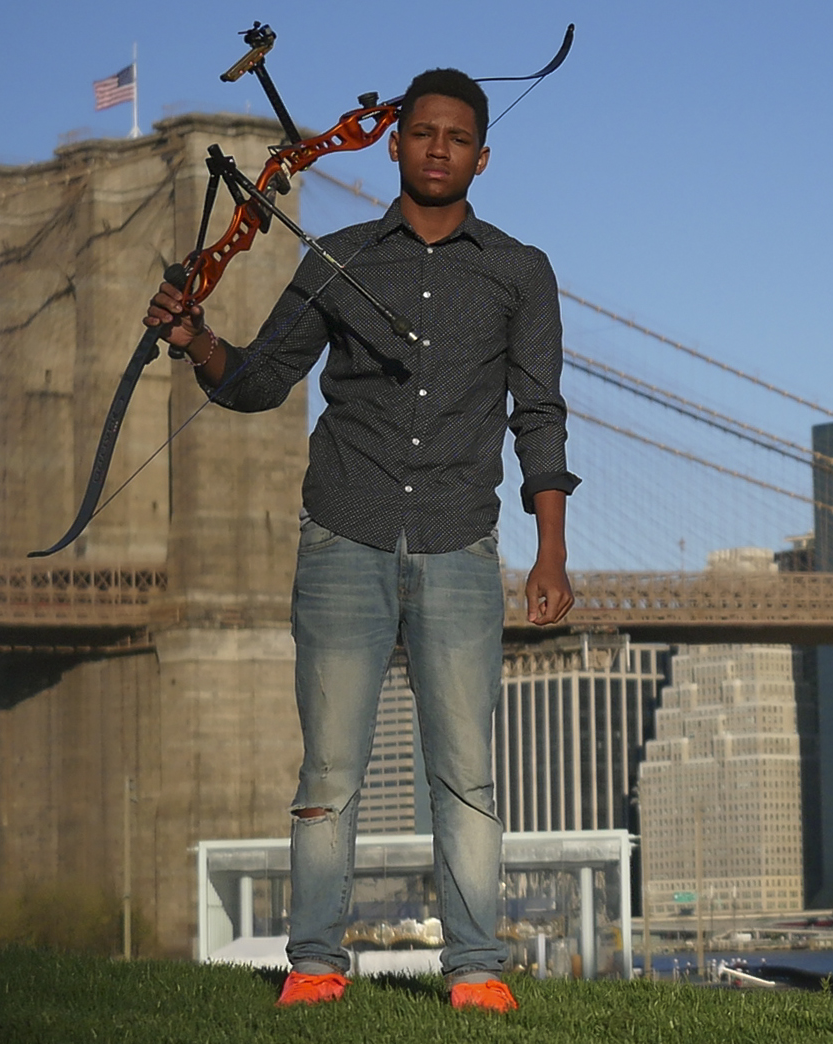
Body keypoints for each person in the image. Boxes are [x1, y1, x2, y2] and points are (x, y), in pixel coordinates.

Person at [147, 67, 577, 1013]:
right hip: (343, 535)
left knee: (466, 772)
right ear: (395, 143)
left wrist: (550, 552)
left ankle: (474, 974)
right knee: (330, 769)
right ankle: (314, 966)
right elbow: (258, 381)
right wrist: (195, 339)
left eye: (457, 137)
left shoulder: (520, 271)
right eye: (422, 132)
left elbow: (539, 417)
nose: (436, 148)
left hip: (461, 544)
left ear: (482, 155)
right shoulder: (336, 258)